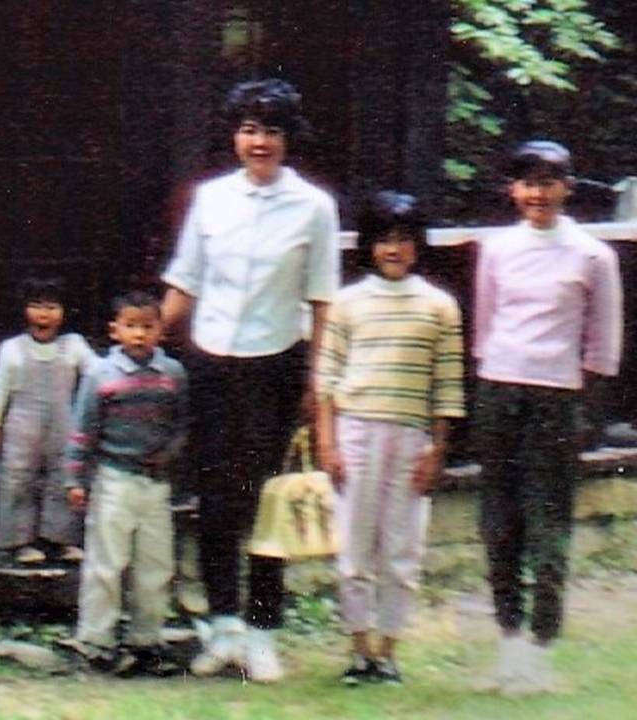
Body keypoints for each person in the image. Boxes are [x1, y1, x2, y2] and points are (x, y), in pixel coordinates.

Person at [160, 78, 341, 683]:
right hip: (211, 362)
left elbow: (322, 302)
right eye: (248, 129)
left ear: (289, 138)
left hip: (276, 365)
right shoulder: (210, 199)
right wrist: (143, 347)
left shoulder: (314, 206)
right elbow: (184, 281)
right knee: (214, 497)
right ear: (234, 136)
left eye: (270, 130)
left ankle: (264, 634)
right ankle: (223, 627)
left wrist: (319, 384)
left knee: (267, 504)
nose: (258, 141)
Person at [472, 140, 623, 693]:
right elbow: (486, 330)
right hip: (499, 391)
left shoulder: (592, 256)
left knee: (548, 524)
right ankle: (508, 641)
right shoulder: (495, 249)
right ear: (513, 190)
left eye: (549, 182)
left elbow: (602, 345)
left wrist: (587, 410)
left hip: (557, 397)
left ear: (567, 188)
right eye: (527, 182)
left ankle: (541, 645)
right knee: (498, 522)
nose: (538, 193)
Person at [314, 191, 466, 686]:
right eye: (384, 240)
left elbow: (447, 383)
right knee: (355, 548)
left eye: (403, 239)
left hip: (411, 439)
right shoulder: (347, 302)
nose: (394, 249)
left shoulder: (439, 306)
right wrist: (328, 442)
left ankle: (388, 651)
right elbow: (328, 377)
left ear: (418, 245)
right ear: (370, 246)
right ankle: (358, 650)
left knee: (401, 552)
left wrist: (437, 448)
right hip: (356, 432)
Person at [62, 290, 190, 677]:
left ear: (160, 331)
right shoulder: (101, 374)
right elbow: (82, 429)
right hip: (114, 478)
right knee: (106, 562)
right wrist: (75, 478)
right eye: (130, 326)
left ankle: (146, 641)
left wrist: (171, 452)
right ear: (114, 330)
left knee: (155, 564)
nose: (139, 334)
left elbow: (181, 425)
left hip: (155, 483)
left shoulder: (172, 375)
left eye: (148, 326)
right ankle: (96, 642)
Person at [0, 277, 94, 565]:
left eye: (52, 307)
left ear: (64, 311)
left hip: (63, 423)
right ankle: (19, 541)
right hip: (22, 425)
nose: (44, 314)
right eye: (36, 306)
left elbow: (98, 375)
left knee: (64, 476)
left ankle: (60, 539)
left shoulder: (74, 346)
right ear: (24, 310)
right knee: (18, 478)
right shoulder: (11, 349)